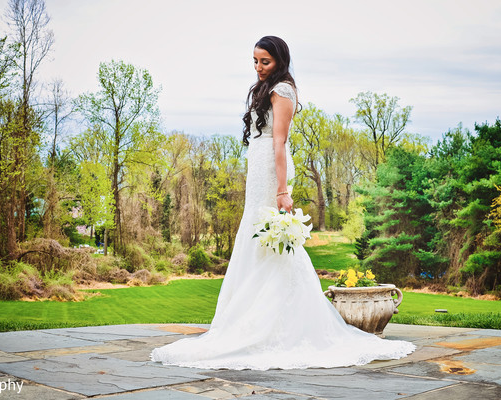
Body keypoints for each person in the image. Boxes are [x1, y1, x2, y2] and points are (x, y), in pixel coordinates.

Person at [150, 36, 415, 370]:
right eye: (255, 61)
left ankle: (283, 326)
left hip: (271, 171)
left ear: (280, 61)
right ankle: (250, 320)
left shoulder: (284, 91)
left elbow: (280, 142)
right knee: (256, 238)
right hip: (257, 168)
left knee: (275, 240)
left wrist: (281, 190)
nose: (259, 68)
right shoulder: (263, 89)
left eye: (266, 62)